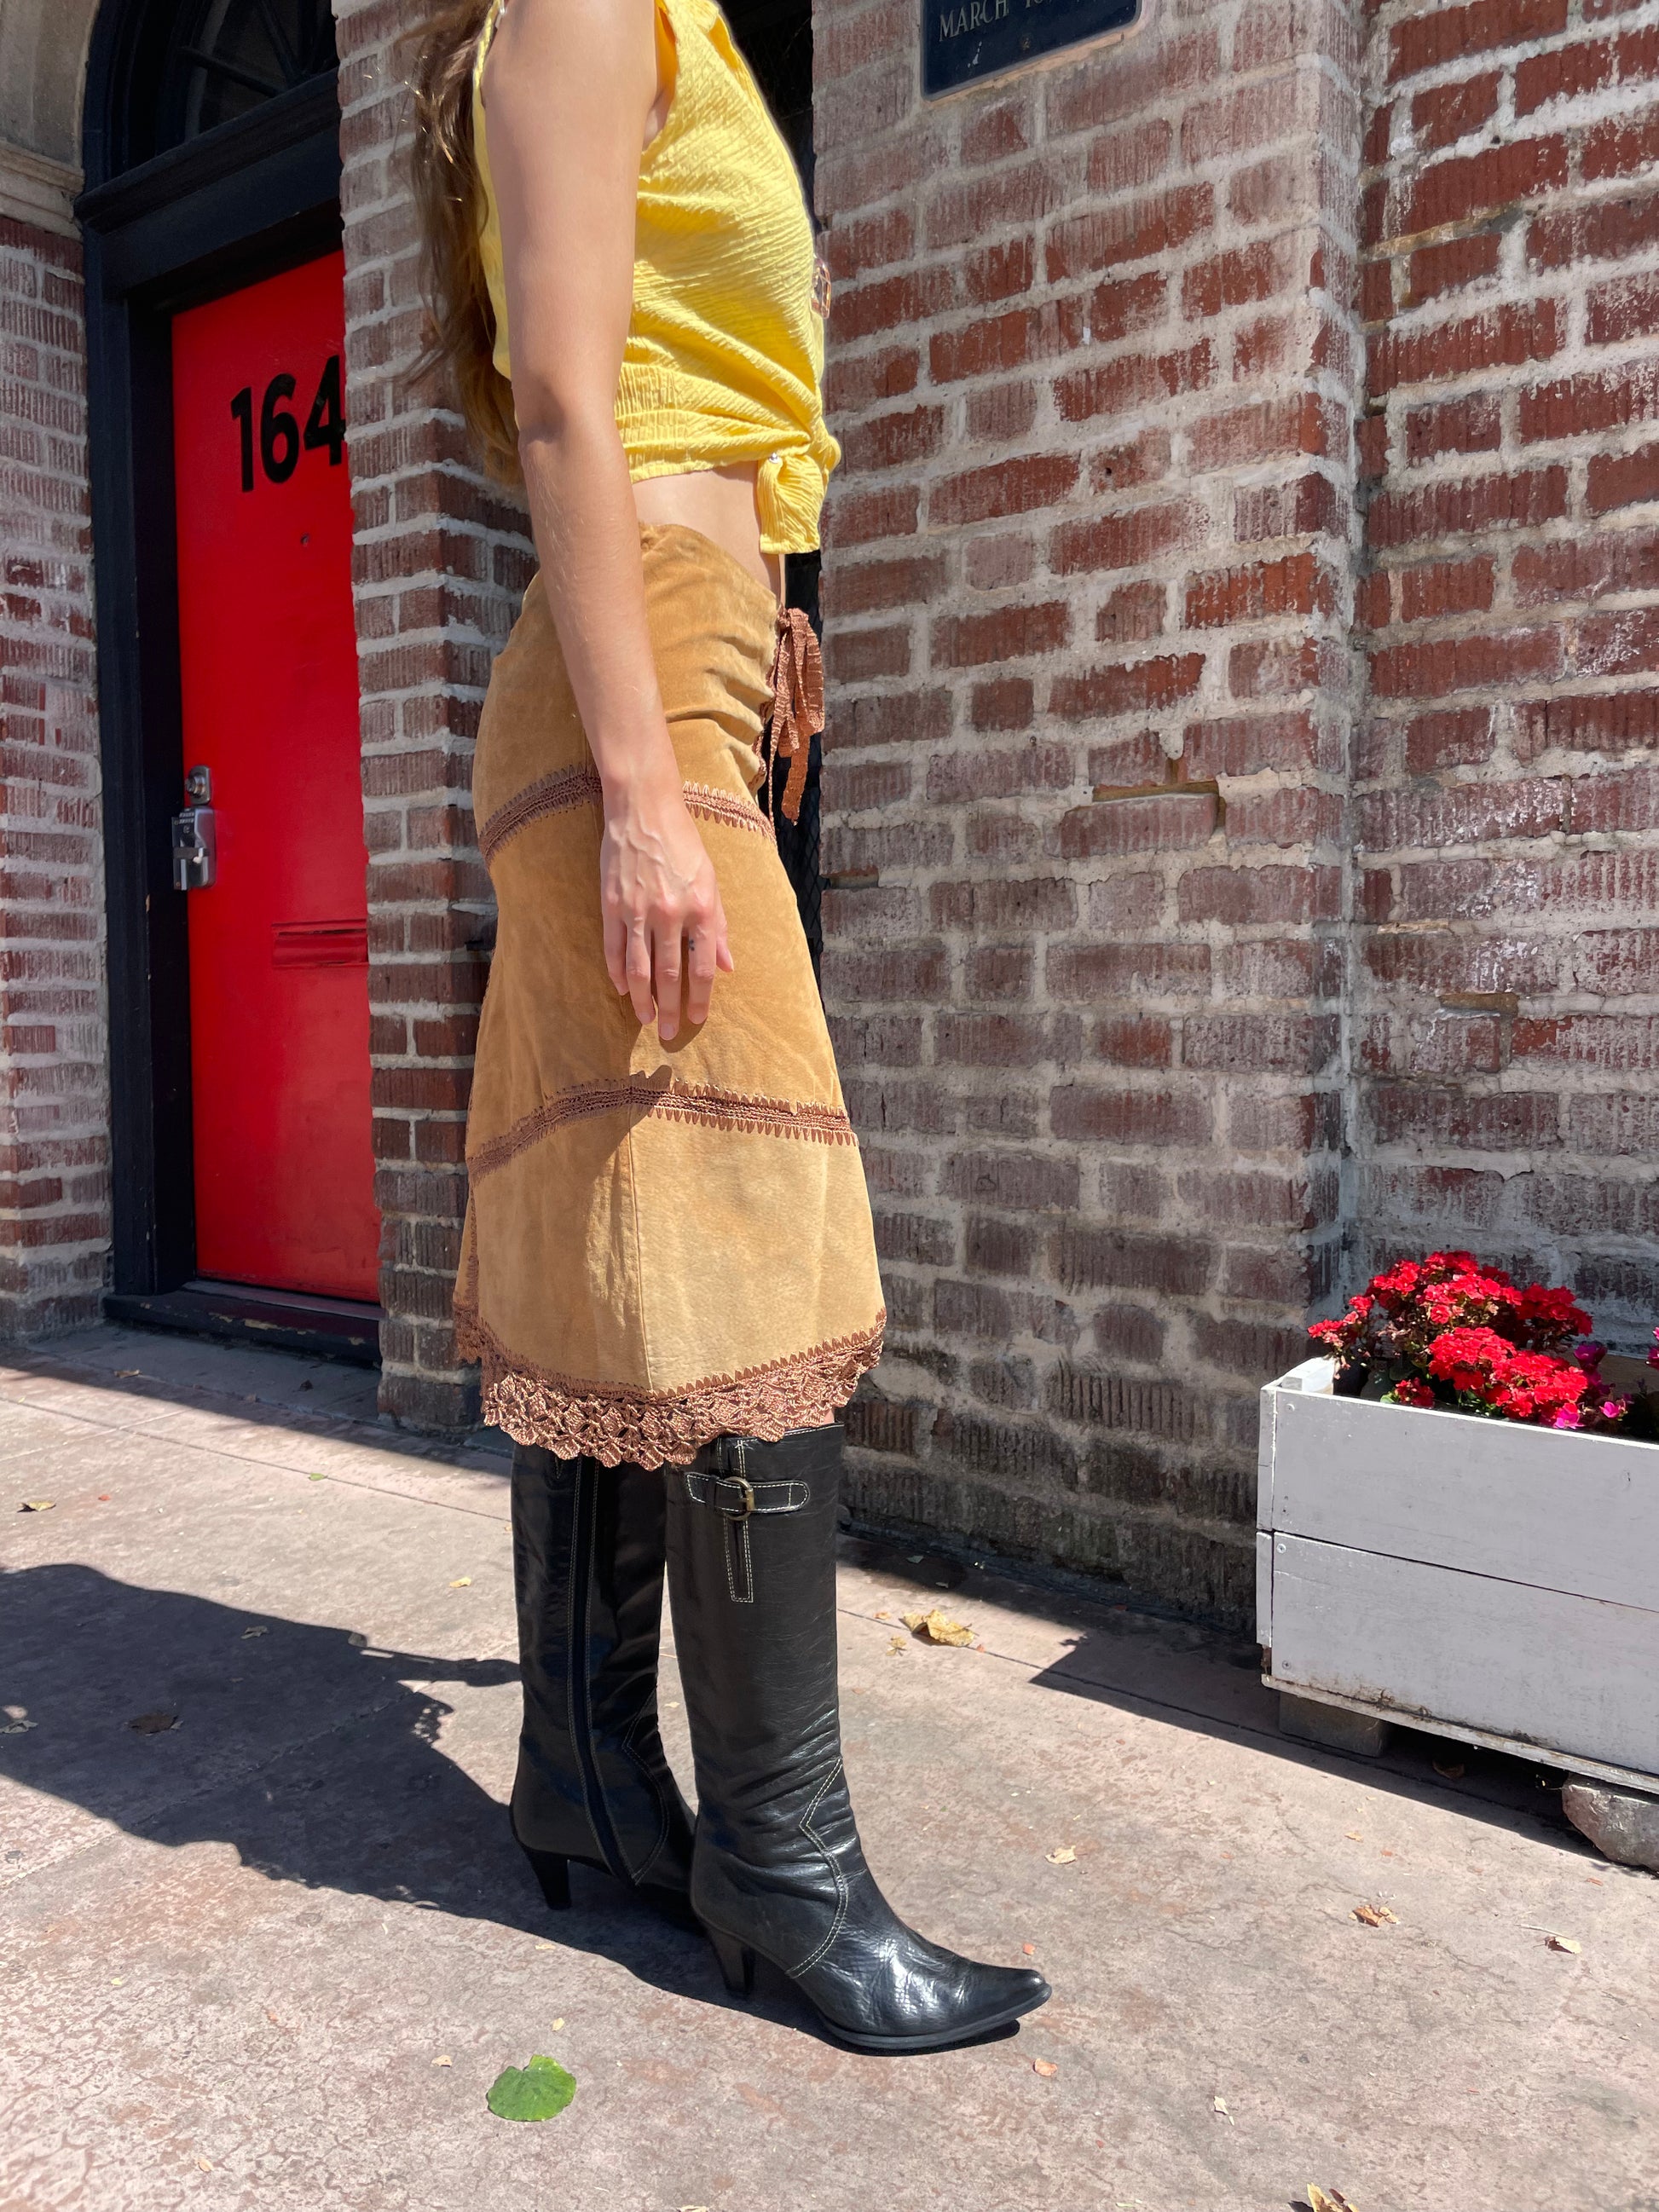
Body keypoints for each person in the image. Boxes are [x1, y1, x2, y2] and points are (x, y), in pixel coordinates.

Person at [407, 0, 1049, 2053]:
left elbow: (696, 391)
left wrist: (760, 628)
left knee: (630, 1235)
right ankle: (777, 1866)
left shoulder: (670, 29)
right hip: (632, 692)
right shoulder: (584, 12)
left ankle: (590, 1783)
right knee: (758, 1246)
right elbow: (574, 412)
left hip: (685, 652)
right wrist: (644, 785)